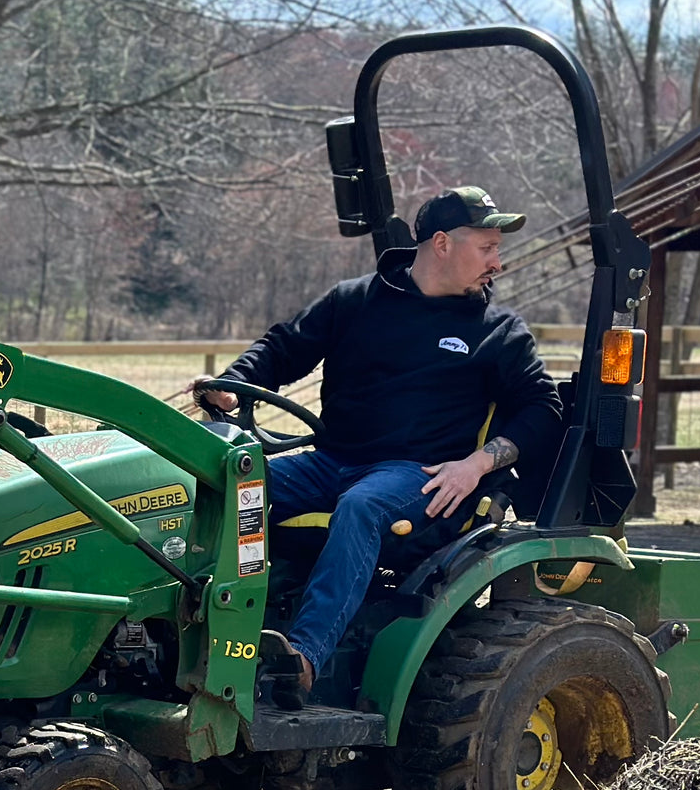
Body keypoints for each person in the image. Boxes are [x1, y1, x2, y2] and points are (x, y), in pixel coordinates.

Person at [194, 186, 561, 707]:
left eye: (497, 249)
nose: (497, 263)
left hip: (419, 475)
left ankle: (301, 658)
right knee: (228, 483)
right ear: (441, 244)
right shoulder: (354, 301)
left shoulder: (497, 332)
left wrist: (476, 466)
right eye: (487, 248)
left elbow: (542, 410)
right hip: (333, 460)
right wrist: (233, 382)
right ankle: (204, 634)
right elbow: (283, 346)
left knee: (361, 507)